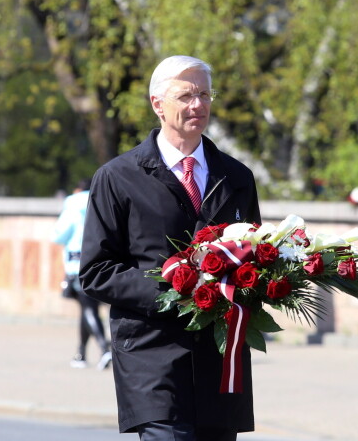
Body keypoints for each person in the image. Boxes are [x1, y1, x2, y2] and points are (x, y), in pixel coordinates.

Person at [79, 55, 261, 440]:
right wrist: (179, 289)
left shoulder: (238, 176)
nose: (198, 105)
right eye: (186, 95)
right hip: (152, 359)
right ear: (157, 104)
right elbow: (96, 271)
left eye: (205, 94)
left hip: (219, 365)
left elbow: (254, 255)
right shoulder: (117, 177)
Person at [53, 178, 112, 370]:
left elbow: (59, 235)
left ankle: (104, 349)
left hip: (76, 263)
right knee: (88, 307)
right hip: (101, 261)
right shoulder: (103, 199)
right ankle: (81, 354)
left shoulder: (72, 205)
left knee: (88, 308)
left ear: (77, 189)